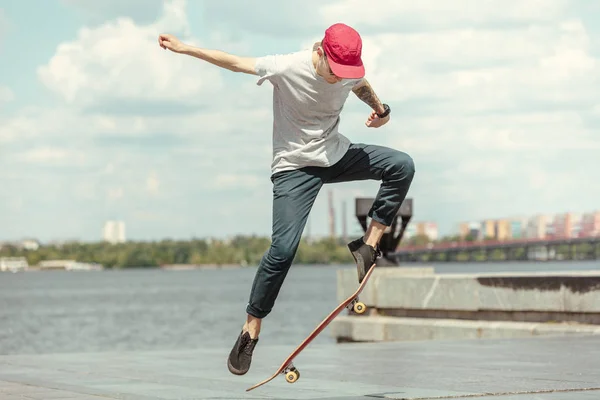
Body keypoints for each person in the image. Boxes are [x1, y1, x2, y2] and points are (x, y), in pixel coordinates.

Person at [158, 23, 415, 376]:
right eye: (334, 72)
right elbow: (234, 62)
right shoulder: (286, 66)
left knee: (402, 166)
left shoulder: (346, 71)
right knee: (282, 250)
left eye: (345, 73)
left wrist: (381, 110)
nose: (337, 79)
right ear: (321, 53)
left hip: (336, 155)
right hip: (294, 168)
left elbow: (361, 85)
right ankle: (251, 328)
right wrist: (187, 49)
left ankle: (368, 244)